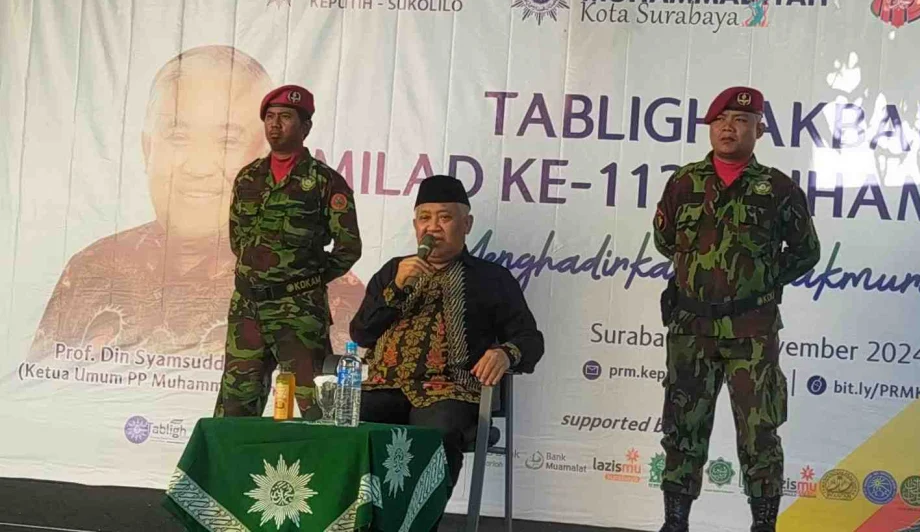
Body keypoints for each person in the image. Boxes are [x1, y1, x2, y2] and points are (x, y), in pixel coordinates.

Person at [27, 46, 365, 364]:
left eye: (227, 140)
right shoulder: (92, 271)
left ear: (263, 154)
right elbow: (43, 386)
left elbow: (341, 393)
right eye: (178, 136)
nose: (199, 166)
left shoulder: (332, 291)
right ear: (147, 149)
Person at [652, 86, 821, 532]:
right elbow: (665, 241)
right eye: (721, 120)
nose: (729, 128)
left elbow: (806, 251)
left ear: (758, 130)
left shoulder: (778, 188)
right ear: (710, 128)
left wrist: (761, 280)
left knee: (760, 432)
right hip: (691, 328)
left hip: (752, 329)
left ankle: (763, 524)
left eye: (742, 120)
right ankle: (675, 523)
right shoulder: (684, 182)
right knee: (682, 429)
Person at [350, 175, 544, 508]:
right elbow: (361, 333)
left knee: (435, 435)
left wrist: (505, 353)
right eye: (424, 218)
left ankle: (417, 523)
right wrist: (396, 288)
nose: (433, 227)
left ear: (466, 224)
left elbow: (530, 339)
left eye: (445, 217)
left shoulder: (491, 278)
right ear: (415, 225)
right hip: (384, 386)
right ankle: (357, 520)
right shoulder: (393, 271)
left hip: (450, 392)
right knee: (343, 424)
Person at [214, 84, 362, 419]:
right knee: (236, 406)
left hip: (298, 310)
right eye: (269, 117)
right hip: (249, 306)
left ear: (305, 127)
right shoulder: (248, 178)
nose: (275, 125)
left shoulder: (325, 182)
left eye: (285, 117)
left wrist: (306, 279)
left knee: (315, 407)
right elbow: (239, 240)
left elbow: (349, 246)